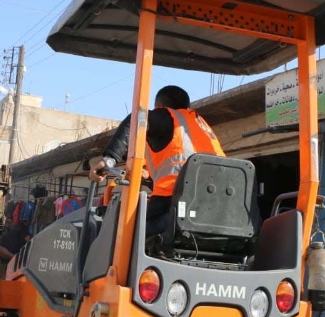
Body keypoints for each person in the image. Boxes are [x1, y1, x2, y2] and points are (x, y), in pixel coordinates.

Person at [90, 85, 224, 236]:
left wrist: (109, 159)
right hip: (215, 204)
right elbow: (177, 157)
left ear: (159, 106)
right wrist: (146, 173)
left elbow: (138, 119)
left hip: (176, 198)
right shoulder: (200, 126)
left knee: (124, 230)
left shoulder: (167, 116)